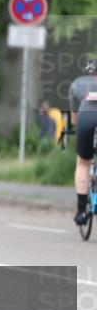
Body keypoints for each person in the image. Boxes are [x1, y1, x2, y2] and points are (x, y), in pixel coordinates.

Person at [69, 57, 97, 226]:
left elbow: (74, 119)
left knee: (83, 163)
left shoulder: (76, 84)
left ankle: (81, 212)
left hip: (85, 120)